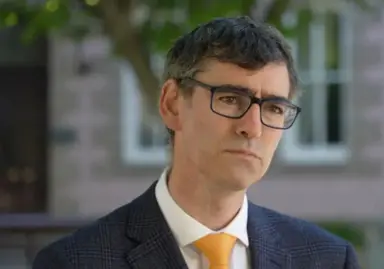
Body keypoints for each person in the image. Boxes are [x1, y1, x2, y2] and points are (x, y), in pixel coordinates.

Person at [32, 16, 360, 269]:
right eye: (231, 99)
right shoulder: (75, 262)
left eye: (274, 108)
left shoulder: (327, 259)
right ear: (172, 104)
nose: (253, 128)